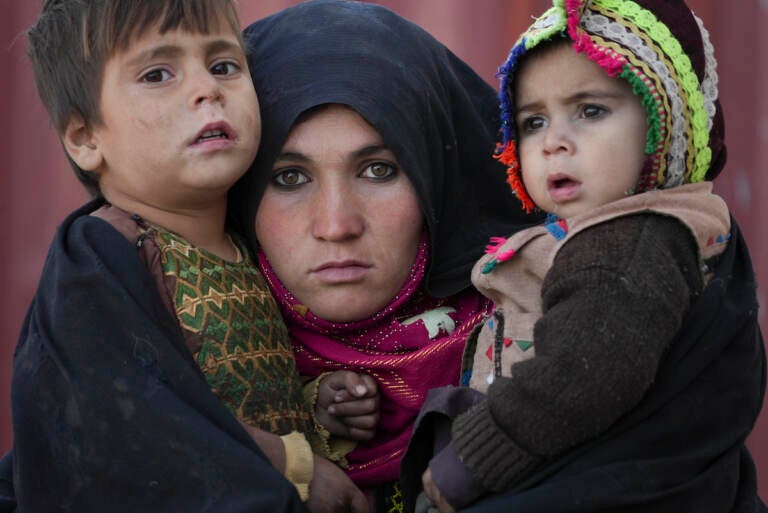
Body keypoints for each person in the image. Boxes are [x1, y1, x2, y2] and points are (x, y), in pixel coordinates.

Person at [401, 1, 767, 512]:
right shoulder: (633, 232)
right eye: (532, 122)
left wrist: (468, 462)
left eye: (590, 111)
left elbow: (578, 375)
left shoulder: (628, 246)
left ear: (663, 124)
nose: (554, 142)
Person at [5, 1, 367, 512]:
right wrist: (297, 467)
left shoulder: (254, 243)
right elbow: (132, 424)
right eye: (157, 74)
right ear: (86, 139)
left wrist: (317, 405)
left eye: (223, 66)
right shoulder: (100, 252)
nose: (208, 89)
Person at [230, 0, 540, 510]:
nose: (337, 226)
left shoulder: (550, 329)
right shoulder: (184, 345)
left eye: (378, 170)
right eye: (289, 178)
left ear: (435, 179)